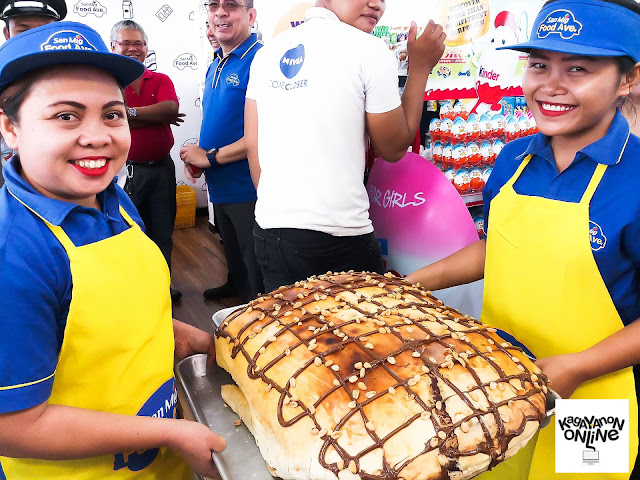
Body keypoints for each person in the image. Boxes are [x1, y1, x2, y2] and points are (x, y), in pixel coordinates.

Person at [407, 1, 640, 478]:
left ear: (628, 79)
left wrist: (577, 368)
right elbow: (499, 248)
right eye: (538, 65)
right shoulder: (513, 159)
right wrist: (410, 285)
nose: (551, 85)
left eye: (577, 69)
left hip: (595, 398)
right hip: (497, 377)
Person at [0, 21, 225, 479]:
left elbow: (101, 315)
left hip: (161, 460)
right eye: (66, 116)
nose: (99, 136)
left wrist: (183, 335)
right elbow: (14, 426)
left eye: (112, 114)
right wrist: (171, 434)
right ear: (10, 127)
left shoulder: (111, 198)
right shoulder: (15, 254)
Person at [244, 0, 446, 292]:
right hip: (339, 237)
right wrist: (421, 68)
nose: (376, 4)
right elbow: (393, 148)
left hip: (269, 231)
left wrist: (282, 210)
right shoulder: (370, 49)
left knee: (288, 321)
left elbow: (253, 144)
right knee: (364, 321)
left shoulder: (267, 54)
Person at [180, 0, 264, 304]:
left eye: (231, 4)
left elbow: (261, 135)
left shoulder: (260, 60)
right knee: (232, 250)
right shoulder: (217, 61)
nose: (220, 12)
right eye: (214, 4)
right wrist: (199, 157)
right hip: (220, 182)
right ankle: (236, 285)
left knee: (254, 262)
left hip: (247, 185)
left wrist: (209, 157)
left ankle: (255, 312)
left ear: (251, 15)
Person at [111, 20, 185, 302]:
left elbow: (170, 109)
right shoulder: (109, 83)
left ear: (146, 47)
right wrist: (154, 116)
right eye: (126, 43)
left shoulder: (161, 79)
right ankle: (135, 292)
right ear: (113, 46)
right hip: (125, 172)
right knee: (129, 235)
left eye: (138, 43)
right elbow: (110, 117)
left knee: (163, 233)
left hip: (162, 169)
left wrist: (128, 113)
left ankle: (161, 287)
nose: (133, 48)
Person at [0, 0, 66, 187]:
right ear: (7, 34)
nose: (33, 39)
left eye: (43, 30)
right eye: (23, 30)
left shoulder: (75, 73)